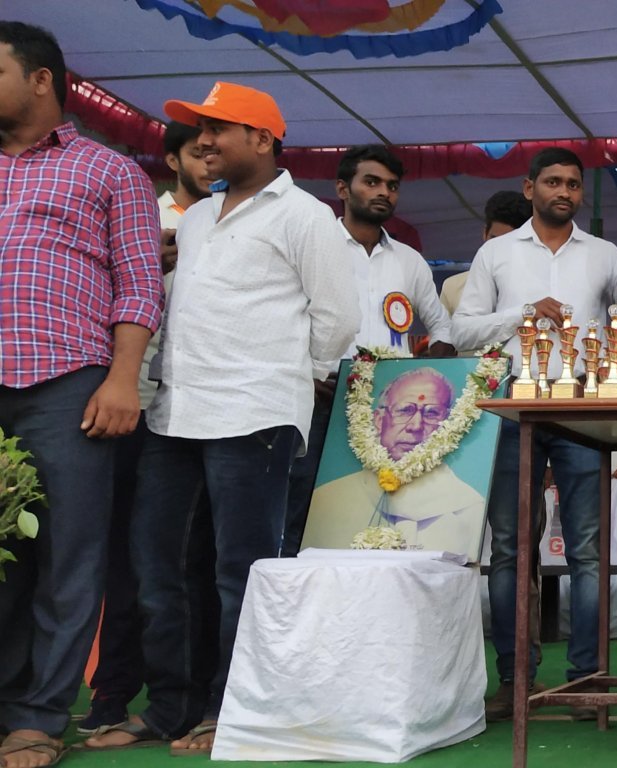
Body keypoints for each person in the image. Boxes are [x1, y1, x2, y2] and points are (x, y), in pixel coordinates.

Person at [84, 81, 359, 755]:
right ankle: (170, 709)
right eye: (199, 130)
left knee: (242, 573)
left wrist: (280, 374)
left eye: (218, 129)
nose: (203, 141)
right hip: (174, 413)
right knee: (159, 570)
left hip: (254, 415)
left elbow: (338, 321)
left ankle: (232, 711)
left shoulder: (305, 216)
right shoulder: (198, 218)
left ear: (262, 139)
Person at [0, 22, 164, 768]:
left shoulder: (109, 170)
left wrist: (122, 379)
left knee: (67, 556)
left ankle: (37, 717)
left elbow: (139, 285)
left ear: (41, 79)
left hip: (66, 385)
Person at [452, 147, 617, 721]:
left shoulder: (605, 256)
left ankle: (587, 679)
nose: (564, 192)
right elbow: (462, 331)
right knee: (508, 549)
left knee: (588, 550)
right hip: (510, 407)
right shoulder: (495, 254)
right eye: (553, 182)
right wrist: (523, 314)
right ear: (530, 189)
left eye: (573, 183)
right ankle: (514, 677)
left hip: (581, 407)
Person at [79, 121, 221, 736]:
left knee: (188, 557)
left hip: (202, 407)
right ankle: (113, 690)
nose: (211, 162)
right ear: (172, 159)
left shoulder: (232, 221)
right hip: (128, 400)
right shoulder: (143, 214)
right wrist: (147, 263)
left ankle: (194, 694)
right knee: (125, 557)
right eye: (198, 152)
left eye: (217, 150)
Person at [282, 144, 455, 557]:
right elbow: (284, 318)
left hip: (389, 406)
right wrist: (305, 373)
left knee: (382, 506)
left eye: (392, 186)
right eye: (372, 182)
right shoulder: (315, 245)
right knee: (303, 501)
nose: (384, 193)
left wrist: (429, 365)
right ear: (342, 188)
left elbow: (442, 325)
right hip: (322, 393)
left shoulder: (409, 260)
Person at [306, 367, 484, 555]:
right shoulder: (329, 498)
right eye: (405, 410)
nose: (416, 426)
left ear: (448, 424)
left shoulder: (468, 506)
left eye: (432, 413)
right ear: (379, 420)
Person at [440, 191, 532, 315]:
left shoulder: (542, 286)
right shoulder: (453, 287)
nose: (499, 249)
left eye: (509, 242)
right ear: (484, 233)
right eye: (494, 240)